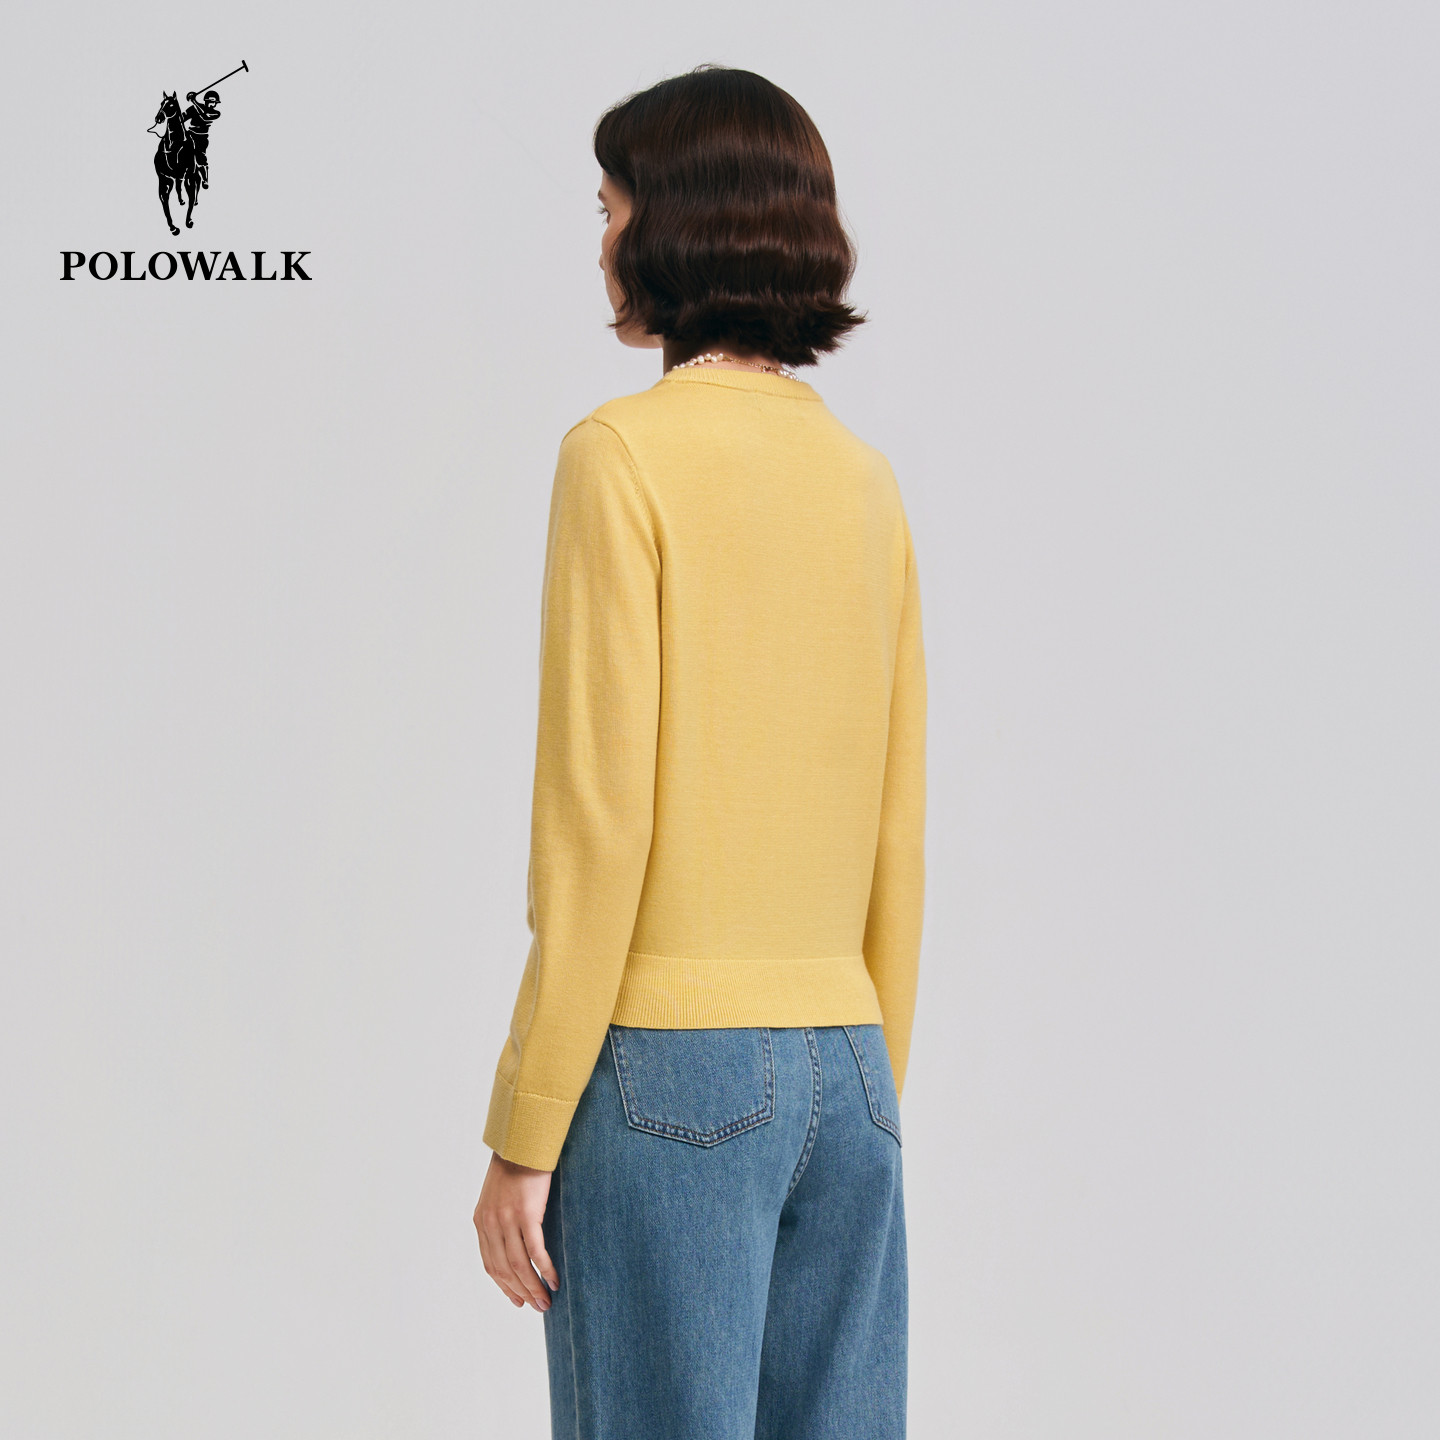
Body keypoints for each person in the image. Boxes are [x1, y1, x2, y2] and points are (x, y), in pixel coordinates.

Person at [472, 64, 926, 1440]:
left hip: (669, 1070)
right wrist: (871, 1088)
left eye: (611, 208)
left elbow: (599, 825)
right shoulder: (865, 479)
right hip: (851, 1069)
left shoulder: (620, 457)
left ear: (674, 224)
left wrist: (527, 1126)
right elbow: (896, 829)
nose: (602, 241)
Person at [181, 90, 220, 188]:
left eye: (215, 102)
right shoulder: (194, 108)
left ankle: (205, 179)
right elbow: (182, 118)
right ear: (206, 101)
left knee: (200, 157)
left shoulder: (215, 113)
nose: (214, 104)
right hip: (190, 134)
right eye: (212, 102)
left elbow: (205, 116)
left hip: (201, 138)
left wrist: (194, 101)